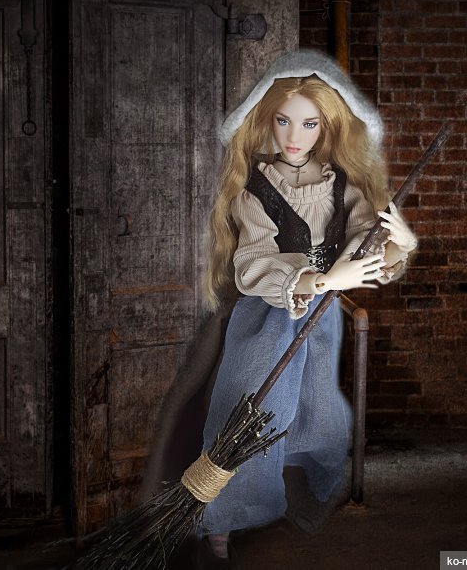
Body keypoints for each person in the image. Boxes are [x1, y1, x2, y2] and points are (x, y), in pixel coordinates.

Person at [193, 49, 418, 567]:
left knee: (320, 412)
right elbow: (253, 262)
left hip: (320, 321)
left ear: (327, 128)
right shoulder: (255, 190)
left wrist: (399, 245)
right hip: (269, 317)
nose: (294, 136)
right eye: (284, 121)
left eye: (309, 124)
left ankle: (305, 491)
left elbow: (370, 239)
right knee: (249, 410)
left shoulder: (340, 186)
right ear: (266, 121)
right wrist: (323, 277)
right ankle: (223, 516)